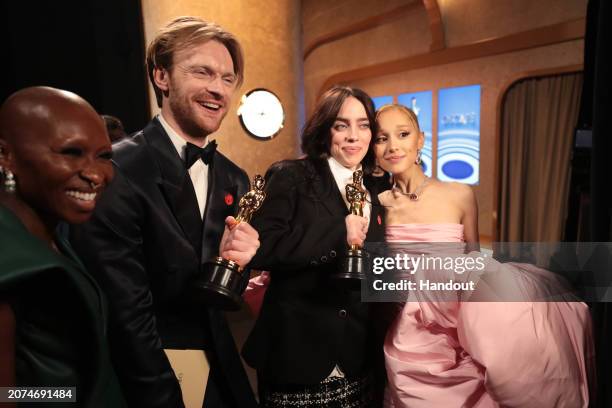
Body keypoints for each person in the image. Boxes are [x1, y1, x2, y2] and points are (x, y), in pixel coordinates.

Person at [70, 17, 259, 408]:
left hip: (221, 367)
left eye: (227, 78)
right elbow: (126, 318)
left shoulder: (234, 177)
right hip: (146, 377)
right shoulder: (118, 169)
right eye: (202, 72)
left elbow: (226, 297)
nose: (217, 89)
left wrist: (238, 265)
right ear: (162, 76)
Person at [373, 104, 593, 407]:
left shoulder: (459, 193)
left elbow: (474, 262)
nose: (393, 146)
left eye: (403, 134)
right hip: (405, 334)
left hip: (460, 329)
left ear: (420, 140)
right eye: (382, 138)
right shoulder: (375, 205)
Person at [242, 85, 390, 407]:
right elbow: (263, 247)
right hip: (297, 351)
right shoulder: (291, 175)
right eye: (342, 125)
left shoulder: (378, 189)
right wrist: (340, 231)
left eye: (363, 125)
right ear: (325, 130)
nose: (353, 136)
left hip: (358, 354)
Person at [0, 86, 124, 406]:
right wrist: (68, 395)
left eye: (105, 156)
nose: (95, 175)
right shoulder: (8, 260)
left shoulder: (48, 236)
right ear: (5, 156)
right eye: (71, 152)